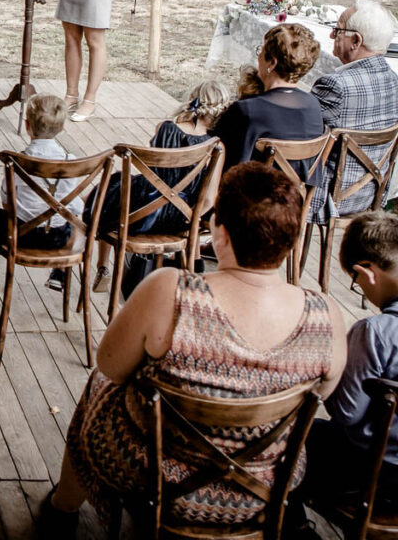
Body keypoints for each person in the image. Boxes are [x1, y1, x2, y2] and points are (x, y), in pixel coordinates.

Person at [41, 162, 347, 534]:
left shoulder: (171, 291)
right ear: (293, 239)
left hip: (155, 475)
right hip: (266, 484)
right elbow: (321, 396)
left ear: (220, 233)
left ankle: (63, 510)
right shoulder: (325, 315)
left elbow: (109, 366)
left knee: (99, 386)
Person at [292, 210, 398, 525]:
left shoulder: (376, 332)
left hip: (379, 474)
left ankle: (294, 524)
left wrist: (331, 369)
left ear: (364, 273)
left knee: (291, 438)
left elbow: (347, 413)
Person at [87, 79, 233, 293]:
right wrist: (188, 221)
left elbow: (151, 177)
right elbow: (210, 199)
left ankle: (103, 267)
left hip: (142, 215)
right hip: (179, 219)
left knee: (109, 194)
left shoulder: (164, 128)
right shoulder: (216, 147)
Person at [0, 94, 79, 298]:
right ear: (61, 128)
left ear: (27, 126)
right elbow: (72, 206)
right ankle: (59, 270)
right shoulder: (71, 161)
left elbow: (7, 202)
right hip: (59, 238)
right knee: (75, 215)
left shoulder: (17, 162)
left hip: (22, 236)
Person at [308, 0, 398, 223]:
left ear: (356, 40)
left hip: (326, 198)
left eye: (337, 30)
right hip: (370, 194)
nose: (331, 36)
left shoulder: (335, 85)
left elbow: (300, 133)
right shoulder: (393, 80)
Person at [213, 23, 325, 172]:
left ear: (271, 63)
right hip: (294, 193)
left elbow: (215, 155)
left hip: (248, 192)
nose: (258, 56)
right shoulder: (313, 106)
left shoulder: (247, 110)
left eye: (261, 50)